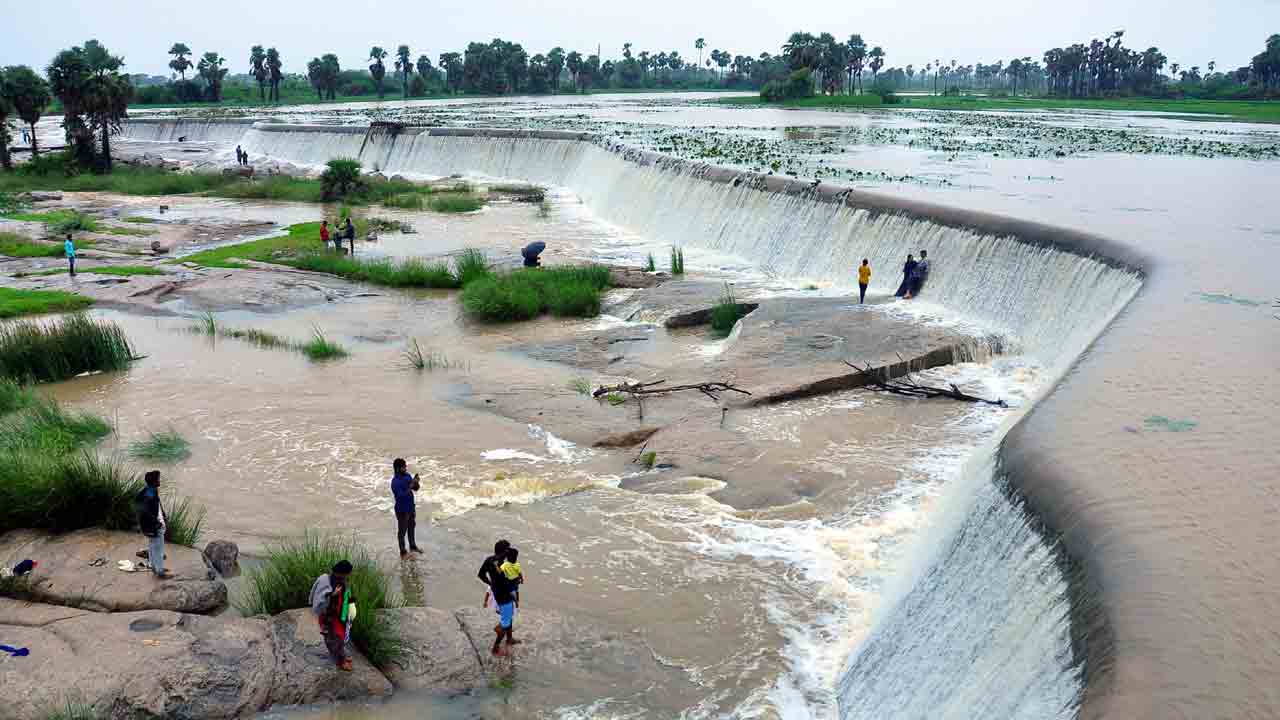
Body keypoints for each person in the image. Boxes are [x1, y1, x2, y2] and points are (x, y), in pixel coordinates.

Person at [310, 560, 356, 671]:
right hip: (329, 617)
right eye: (347, 574)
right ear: (342, 573)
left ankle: (340, 655)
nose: (348, 576)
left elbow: (346, 595)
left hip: (340, 615)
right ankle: (340, 662)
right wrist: (333, 594)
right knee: (335, 638)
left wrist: (351, 605)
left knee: (341, 636)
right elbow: (320, 600)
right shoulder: (325, 581)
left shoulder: (341, 581)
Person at [477, 540, 520, 655]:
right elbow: (508, 584)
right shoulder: (503, 566)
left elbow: (481, 575)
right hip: (505, 597)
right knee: (505, 623)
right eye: (508, 550)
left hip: (497, 594)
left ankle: (509, 638)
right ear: (504, 551)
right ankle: (496, 647)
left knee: (509, 617)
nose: (509, 552)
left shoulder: (489, 560)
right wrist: (515, 595)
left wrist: (491, 584)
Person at [136, 470, 171, 580]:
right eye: (158, 479)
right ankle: (160, 572)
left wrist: (163, 515)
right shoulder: (150, 495)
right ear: (154, 481)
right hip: (153, 526)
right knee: (158, 549)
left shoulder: (149, 490)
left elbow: (157, 505)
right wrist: (157, 523)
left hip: (150, 526)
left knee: (152, 546)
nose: (159, 481)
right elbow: (145, 511)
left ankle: (153, 566)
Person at [391, 458, 422, 558]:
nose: (406, 468)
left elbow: (415, 489)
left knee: (411, 527)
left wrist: (416, 482)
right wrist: (411, 485)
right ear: (398, 468)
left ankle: (412, 546)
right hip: (402, 510)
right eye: (404, 467)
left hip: (411, 507)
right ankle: (403, 552)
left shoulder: (407, 476)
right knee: (402, 531)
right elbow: (401, 496)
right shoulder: (395, 482)